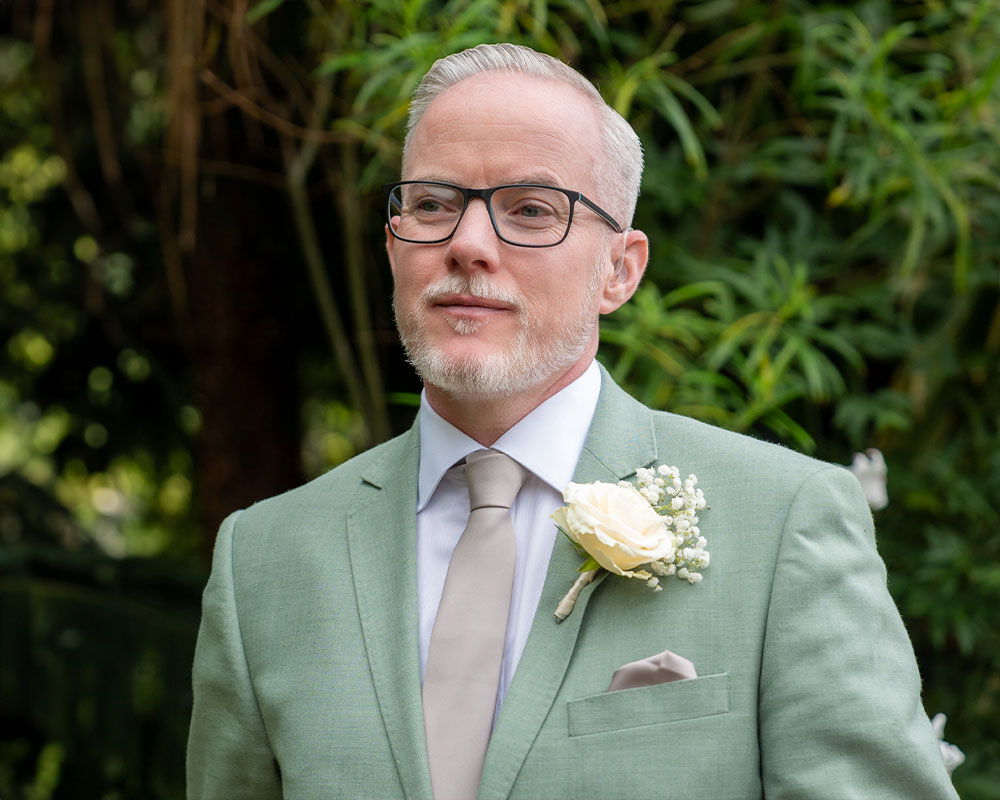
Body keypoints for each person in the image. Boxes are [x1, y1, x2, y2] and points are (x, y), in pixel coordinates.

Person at [186, 43, 958, 800]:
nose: (468, 245)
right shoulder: (264, 563)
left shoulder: (784, 522)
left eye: (530, 210)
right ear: (394, 247)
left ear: (619, 271)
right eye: (433, 204)